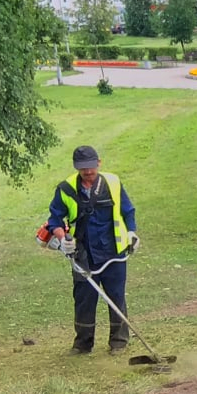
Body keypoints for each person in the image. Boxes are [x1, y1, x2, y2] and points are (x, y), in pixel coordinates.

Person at [45, 146, 139, 355]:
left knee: (116, 297)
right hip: (83, 254)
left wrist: (132, 233)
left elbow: (128, 211)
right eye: (82, 168)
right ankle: (83, 344)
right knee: (84, 299)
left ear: (99, 163)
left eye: (90, 167)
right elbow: (55, 219)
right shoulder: (65, 189)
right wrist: (62, 240)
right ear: (76, 168)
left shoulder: (113, 183)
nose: (87, 172)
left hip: (114, 252)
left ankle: (119, 342)